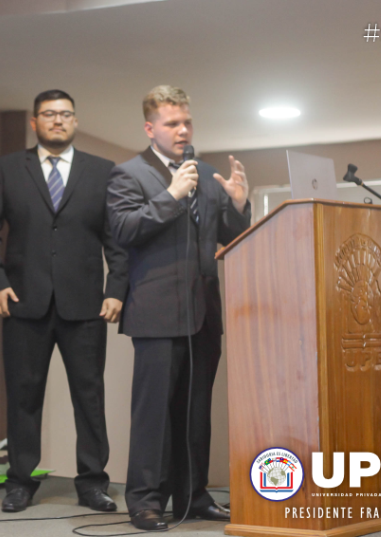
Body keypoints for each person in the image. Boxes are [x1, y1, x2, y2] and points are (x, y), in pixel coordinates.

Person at [106, 85, 250, 531]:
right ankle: (145, 501)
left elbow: (228, 235)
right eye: (172, 123)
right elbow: (125, 230)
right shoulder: (127, 174)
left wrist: (240, 206)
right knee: (153, 414)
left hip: (203, 308)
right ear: (151, 128)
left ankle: (193, 495)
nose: (183, 129)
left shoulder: (206, 173)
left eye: (187, 121)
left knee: (196, 409)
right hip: (155, 311)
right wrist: (170, 195)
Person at [0, 90, 128, 513]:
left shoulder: (102, 171)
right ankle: (21, 483)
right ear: (34, 122)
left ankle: (92, 483)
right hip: (24, 302)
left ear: (76, 121)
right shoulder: (9, 168)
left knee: (89, 396)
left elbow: (115, 239)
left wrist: (117, 287)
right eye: (49, 114)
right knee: (24, 396)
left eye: (65, 114)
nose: (57, 121)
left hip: (86, 305)